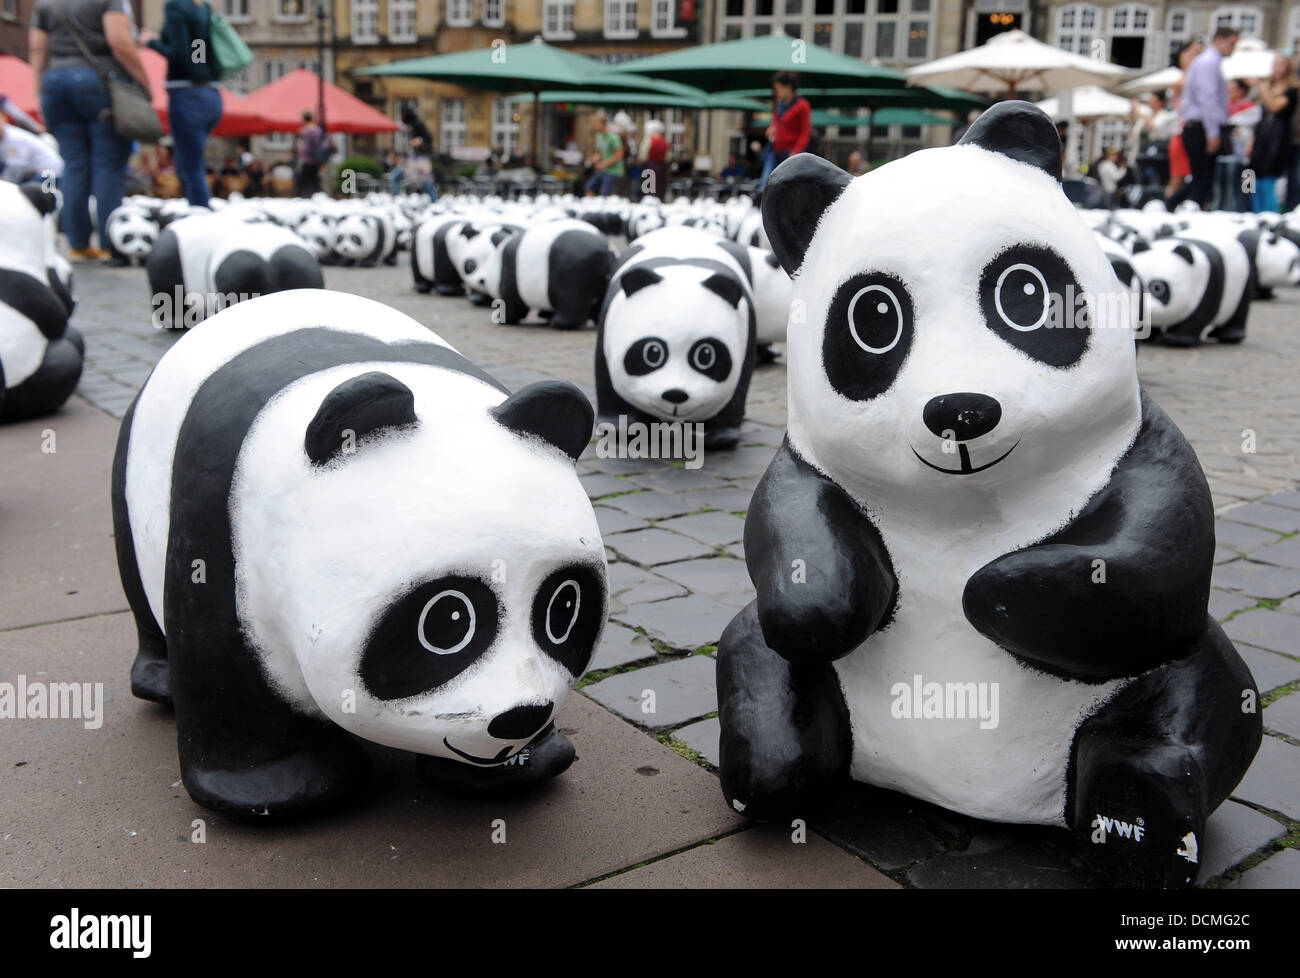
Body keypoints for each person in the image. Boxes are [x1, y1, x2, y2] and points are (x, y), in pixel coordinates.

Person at [28, 0, 152, 259]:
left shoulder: (45, 3)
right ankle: (111, 244)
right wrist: (143, 82)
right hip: (98, 81)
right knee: (107, 166)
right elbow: (120, 43)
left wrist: (40, 90)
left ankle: (78, 244)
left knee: (73, 166)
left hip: (54, 83)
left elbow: (37, 49)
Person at [140, 0, 223, 206]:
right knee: (191, 164)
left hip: (187, 95)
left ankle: (200, 219)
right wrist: (197, 67)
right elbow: (197, 53)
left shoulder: (176, 6)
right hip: (210, 93)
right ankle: (200, 214)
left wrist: (150, 41)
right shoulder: (201, 9)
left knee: (189, 167)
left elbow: (178, 54)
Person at [1167, 27, 1238, 211]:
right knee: (1203, 177)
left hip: (1199, 126)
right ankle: (1175, 207)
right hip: (1200, 127)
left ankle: (1173, 206)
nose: (1233, 48)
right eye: (1232, 43)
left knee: (1201, 176)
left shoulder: (1207, 62)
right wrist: (1212, 132)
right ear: (1219, 40)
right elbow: (1208, 98)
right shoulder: (1209, 62)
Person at [1247, 55, 1298, 213]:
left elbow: (1274, 106)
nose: (1276, 69)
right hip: (1262, 136)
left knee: (1270, 179)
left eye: (1280, 65)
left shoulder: (1292, 90)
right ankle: (1253, 212)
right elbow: (1260, 116)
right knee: (1251, 177)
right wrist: (1251, 141)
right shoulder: (1268, 87)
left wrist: (1261, 85)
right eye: (1274, 65)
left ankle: (1271, 214)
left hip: (1278, 139)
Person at [760, 71, 810, 189]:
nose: (776, 92)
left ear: (788, 88)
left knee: (789, 185)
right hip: (777, 150)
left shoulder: (802, 106)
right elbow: (776, 121)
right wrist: (772, 128)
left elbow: (805, 133)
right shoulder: (779, 104)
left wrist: (796, 151)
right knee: (766, 181)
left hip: (791, 152)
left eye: (778, 89)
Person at [1214, 80, 1259, 211]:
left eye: (1233, 89)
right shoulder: (1225, 107)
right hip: (1226, 155)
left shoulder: (1251, 108)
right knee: (1224, 188)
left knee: (1246, 188)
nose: (1229, 92)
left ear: (1242, 90)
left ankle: (1246, 212)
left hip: (1245, 156)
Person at [0, 112, 64, 182]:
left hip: (50, 173)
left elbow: (17, 167)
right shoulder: (4, 137)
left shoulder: (14, 137)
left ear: (4, 119)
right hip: (33, 173)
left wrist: (4, 180)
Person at [584, 111, 623, 197]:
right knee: (589, 188)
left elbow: (619, 154)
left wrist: (604, 164)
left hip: (614, 171)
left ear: (602, 124)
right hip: (604, 170)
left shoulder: (613, 137)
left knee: (605, 194)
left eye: (595, 123)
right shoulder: (599, 136)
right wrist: (593, 159)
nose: (593, 126)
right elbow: (600, 153)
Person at [295, 109, 324, 197]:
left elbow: (307, 147)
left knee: (302, 181)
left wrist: (299, 145)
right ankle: (319, 196)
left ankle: (299, 197)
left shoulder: (307, 130)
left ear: (304, 118)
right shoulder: (318, 129)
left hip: (308, 159)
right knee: (314, 180)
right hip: (316, 159)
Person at [642, 119, 667, 198]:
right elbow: (667, 156)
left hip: (650, 166)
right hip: (661, 167)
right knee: (659, 187)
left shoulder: (649, 140)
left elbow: (643, 154)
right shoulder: (664, 141)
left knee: (649, 188)